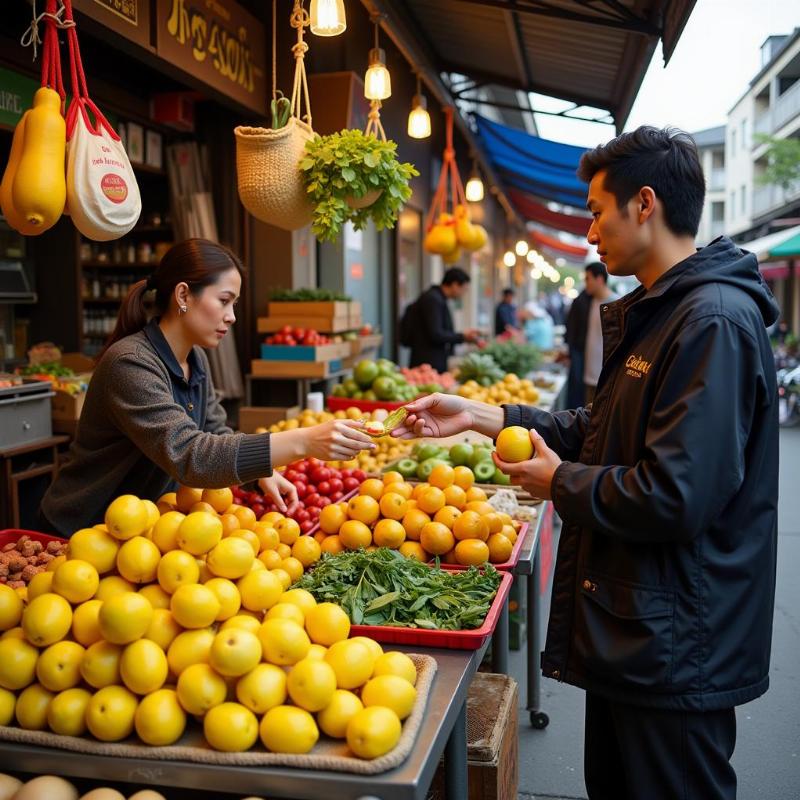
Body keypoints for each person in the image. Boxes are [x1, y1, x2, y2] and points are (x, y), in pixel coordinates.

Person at [393, 127, 779, 800]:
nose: (590, 231)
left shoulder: (710, 320)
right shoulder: (666, 313)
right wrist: (486, 416)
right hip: (643, 629)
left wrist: (557, 483)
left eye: (597, 210)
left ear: (645, 204)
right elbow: (603, 431)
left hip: (677, 642)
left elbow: (676, 494)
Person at [41, 239, 375, 536]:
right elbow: (191, 456)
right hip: (84, 532)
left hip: (145, 532)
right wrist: (304, 440)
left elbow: (215, 431)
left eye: (235, 304)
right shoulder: (129, 364)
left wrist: (258, 474)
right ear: (183, 295)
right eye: (225, 300)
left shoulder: (195, 358)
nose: (232, 317)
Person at [403, 267, 479, 372]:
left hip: (430, 360)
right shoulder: (433, 299)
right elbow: (436, 334)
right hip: (427, 363)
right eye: (464, 289)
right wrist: (462, 337)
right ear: (455, 285)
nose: (463, 293)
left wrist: (462, 336)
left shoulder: (437, 298)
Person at [582, 261, 617, 404]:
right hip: (589, 372)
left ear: (600, 279)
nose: (586, 283)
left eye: (588, 279)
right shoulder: (591, 302)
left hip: (605, 377)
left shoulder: (616, 303)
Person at [563, 286, 591, 407]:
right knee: (577, 384)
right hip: (578, 349)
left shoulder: (588, 299)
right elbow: (572, 327)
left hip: (579, 350)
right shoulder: (582, 300)